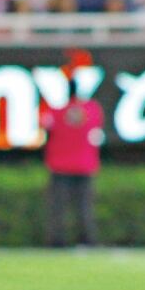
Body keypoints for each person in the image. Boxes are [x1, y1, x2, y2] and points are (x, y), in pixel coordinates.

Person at [41, 69, 104, 247]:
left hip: (60, 165)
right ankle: (87, 240)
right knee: (85, 207)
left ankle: (57, 241)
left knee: (58, 208)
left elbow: (46, 129)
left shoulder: (55, 112)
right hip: (85, 165)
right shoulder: (92, 110)